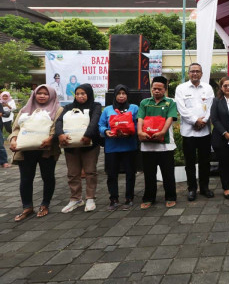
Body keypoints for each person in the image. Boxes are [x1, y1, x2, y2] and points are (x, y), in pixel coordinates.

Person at [9, 85, 62, 221]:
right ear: (34, 95)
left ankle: (45, 204)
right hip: (26, 150)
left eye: (45, 94)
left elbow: (57, 128)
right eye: (39, 93)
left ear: (51, 95)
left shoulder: (57, 109)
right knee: (26, 178)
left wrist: (51, 139)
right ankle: (27, 207)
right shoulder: (25, 109)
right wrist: (14, 140)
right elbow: (16, 128)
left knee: (48, 177)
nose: (42, 96)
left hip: (47, 150)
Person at [55, 83, 102, 213]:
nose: (80, 96)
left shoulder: (95, 106)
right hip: (71, 146)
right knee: (72, 173)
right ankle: (75, 199)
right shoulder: (68, 107)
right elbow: (59, 121)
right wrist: (60, 135)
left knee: (90, 171)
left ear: (89, 94)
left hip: (89, 145)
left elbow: (94, 121)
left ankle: (90, 198)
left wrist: (88, 135)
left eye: (83, 93)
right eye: (78, 94)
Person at [175, 63, 215, 201]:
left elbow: (210, 107)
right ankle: (192, 189)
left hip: (204, 132)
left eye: (198, 71)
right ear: (188, 73)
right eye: (192, 71)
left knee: (205, 162)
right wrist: (195, 121)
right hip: (188, 132)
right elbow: (181, 109)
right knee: (190, 163)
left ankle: (204, 188)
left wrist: (203, 121)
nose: (195, 73)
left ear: (202, 73)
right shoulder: (181, 88)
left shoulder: (208, 88)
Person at [138, 76, 179, 209]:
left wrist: (162, 132)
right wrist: (140, 132)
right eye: (154, 88)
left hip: (165, 145)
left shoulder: (170, 103)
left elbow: (170, 118)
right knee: (149, 174)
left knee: (168, 174)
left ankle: (170, 196)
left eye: (159, 89)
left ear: (165, 90)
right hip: (147, 145)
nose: (156, 91)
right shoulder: (144, 102)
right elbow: (140, 118)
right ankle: (149, 197)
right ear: (151, 89)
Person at [98, 84, 139, 211]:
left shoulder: (134, 108)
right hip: (112, 147)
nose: (121, 96)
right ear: (114, 95)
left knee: (130, 173)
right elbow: (101, 125)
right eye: (118, 94)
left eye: (124, 93)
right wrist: (106, 132)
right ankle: (113, 199)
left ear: (127, 95)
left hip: (129, 146)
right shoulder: (107, 110)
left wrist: (132, 131)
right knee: (112, 174)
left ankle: (129, 198)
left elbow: (139, 124)